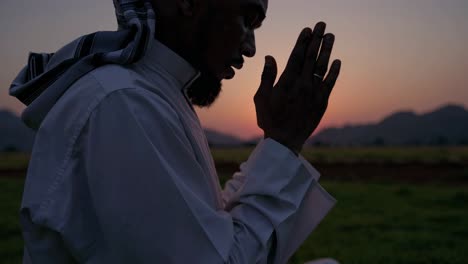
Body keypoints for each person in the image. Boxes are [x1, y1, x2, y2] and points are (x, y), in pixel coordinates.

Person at [10, 0, 341, 263]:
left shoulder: (155, 96)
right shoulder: (123, 105)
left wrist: (276, 141)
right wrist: (283, 143)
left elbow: (206, 230)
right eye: (246, 19)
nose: (251, 47)